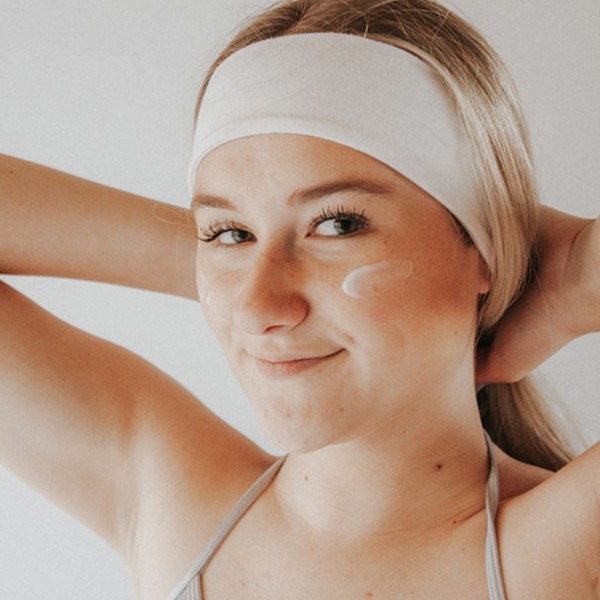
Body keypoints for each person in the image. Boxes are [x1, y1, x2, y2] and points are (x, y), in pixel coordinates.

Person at [1, 0, 599, 598]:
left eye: (338, 225)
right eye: (228, 232)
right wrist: (229, 270)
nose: (258, 308)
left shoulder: (567, 552)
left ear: (481, 248)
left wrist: (575, 269)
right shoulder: (166, 503)